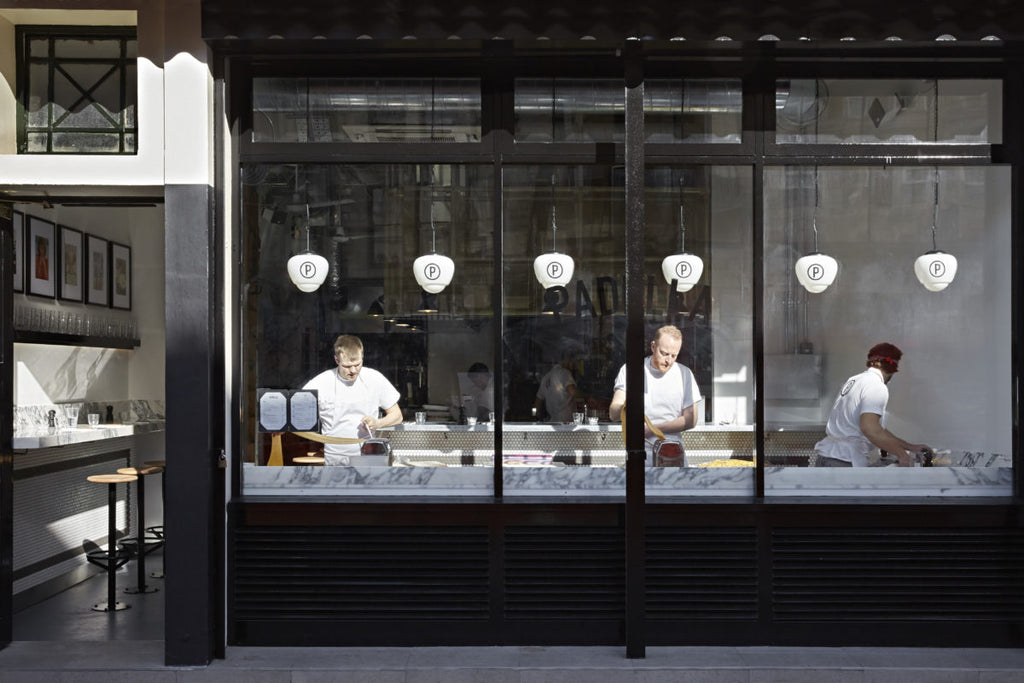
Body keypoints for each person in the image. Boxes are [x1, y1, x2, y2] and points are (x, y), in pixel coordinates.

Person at [813, 342, 930, 467]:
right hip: (844, 462)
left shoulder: (855, 380)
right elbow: (870, 429)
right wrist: (902, 455)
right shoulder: (876, 386)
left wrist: (910, 447)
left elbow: (878, 430)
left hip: (829, 458)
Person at [302, 335, 402, 465]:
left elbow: (397, 415)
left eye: (358, 364)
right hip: (335, 456)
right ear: (337, 360)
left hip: (368, 454)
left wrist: (377, 423)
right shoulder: (321, 382)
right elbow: (295, 411)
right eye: (348, 366)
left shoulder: (374, 378)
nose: (353, 370)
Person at [608, 325, 702, 464]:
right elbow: (613, 414)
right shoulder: (631, 369)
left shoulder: (684, 374)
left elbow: (690, 419)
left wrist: (653, 430)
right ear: (653, 346)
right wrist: (626, 406)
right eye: (664, 353)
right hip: (639, 457)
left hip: (673, 456)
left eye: (674, 355)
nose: (668, 360)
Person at [534, 342, 580, 423]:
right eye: (573, 360)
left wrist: (535, 419)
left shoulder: (546, 377)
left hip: (553, 422)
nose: (574, 364)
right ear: (567, 360)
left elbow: (537, 405)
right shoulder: (564, 373)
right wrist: (589, 396)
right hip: (567, 424)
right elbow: (573, 392)